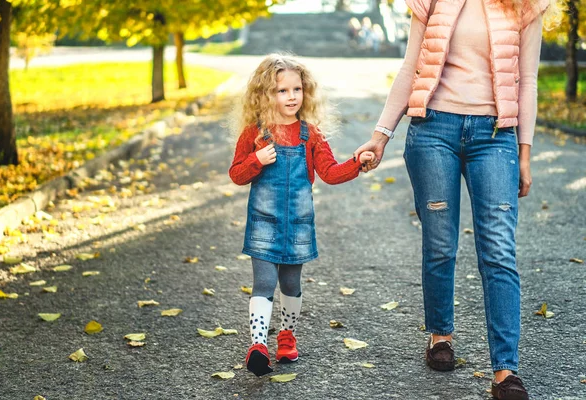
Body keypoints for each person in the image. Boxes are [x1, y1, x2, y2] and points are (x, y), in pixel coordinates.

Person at [353, 0, 555, 398]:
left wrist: (525, 154)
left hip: (495, 137)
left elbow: (527, 81)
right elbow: (411, 65)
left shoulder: (528, 4)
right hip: (432, 131)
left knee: (498, 249)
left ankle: (505, 370)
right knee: (441, 243)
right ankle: (440, 336)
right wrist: (381, 135)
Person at [229, 54, 376, 377]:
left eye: (297, 89)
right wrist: (256, 159)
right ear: (265, 94)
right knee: (264, 282)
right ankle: (258, 345)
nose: (292, 96)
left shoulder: (311, 134)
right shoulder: (255, 134)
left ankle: (286, 335)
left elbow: (331, 173)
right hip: (263, 222)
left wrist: (357, 161)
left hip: (297, 224)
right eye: (282, 91)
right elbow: (237, 174)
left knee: (291, 283)